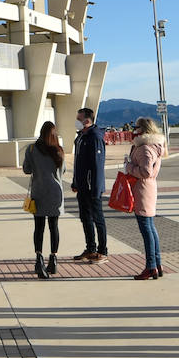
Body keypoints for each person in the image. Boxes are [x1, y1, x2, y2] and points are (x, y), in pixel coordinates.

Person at [22, 121, 66, 279]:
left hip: (39, 192)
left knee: (38, 227)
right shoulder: (59, 150)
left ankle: (39, 259)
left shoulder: (32, 149)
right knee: (54, 227)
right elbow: (64, 171)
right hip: (56, 193)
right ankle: (53, 259)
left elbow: (27, 169)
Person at [125, 117, 166, 280]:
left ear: (142, 129)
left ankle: (150, 266)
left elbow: (146, 172)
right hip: (147, 188)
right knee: (150, 227)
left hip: (142, 189)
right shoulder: (155, 146)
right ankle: (157, 264)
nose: (133, 129)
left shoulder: (145, 148)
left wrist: (128, 166)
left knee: (146, 228)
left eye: (136, 127)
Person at [70, 107, 108, 264]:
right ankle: (90, 248)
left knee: (97, 218)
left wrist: (96, 188)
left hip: (92, 188)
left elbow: (97, 166)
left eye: (78, 119)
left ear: (87, 120)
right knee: (85, 218)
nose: (76, 121)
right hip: (82, 186)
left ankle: (102, 251)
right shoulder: (81, 137)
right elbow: (78, 163)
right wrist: (75, 182)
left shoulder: (95, 137)